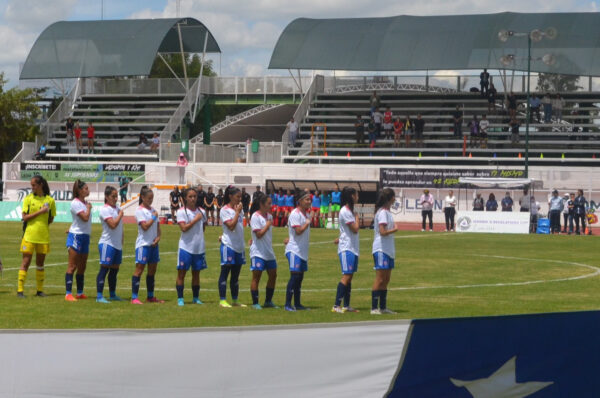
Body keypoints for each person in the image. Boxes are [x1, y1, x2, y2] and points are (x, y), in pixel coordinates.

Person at [17, 176, 56, 298]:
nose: (32, 187)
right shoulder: (28, 199)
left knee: (40, 263)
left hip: (43, 237)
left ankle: (39, 290)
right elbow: (25, 217)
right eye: (31, 185)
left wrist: (42, 225)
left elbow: (51, 218)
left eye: (34, 185)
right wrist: (40, 212)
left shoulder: (50, 200)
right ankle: (20, 290)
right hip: (29, 236)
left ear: (41, 185)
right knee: (26, 262)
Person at [132, 186, 164, 304]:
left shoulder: (153, 210)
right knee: (139, 270)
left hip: (153, 245)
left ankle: (150, 296)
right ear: (143, 197)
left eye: (152, 198)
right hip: (143, 245)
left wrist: (158, 237)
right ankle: (134, 297)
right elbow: (145, 227)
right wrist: (154, 216)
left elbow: (158, 227)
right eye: (149, 198)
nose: (151, 200)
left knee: (152, 271)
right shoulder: (139, 211)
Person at [176, 187, 207, 306]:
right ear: (185, 198)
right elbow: (183, 228)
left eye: (194, 196)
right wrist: (195, 220)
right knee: (182, 273)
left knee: (196, 273)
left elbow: (203, 227)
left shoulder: (202, 211)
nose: (193, 199)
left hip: (198, 248)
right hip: (185, 247)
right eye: (190, 196)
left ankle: (195, 297)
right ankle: (180, 298)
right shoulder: (181, 211)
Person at [332, 187, 360, 313]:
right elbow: (355, 229)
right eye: (356, 194)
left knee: (350, 277)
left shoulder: (349, 211)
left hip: (353, 247)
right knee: (346, 276)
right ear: (352, 196)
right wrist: (358, 217)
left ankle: (346, 305)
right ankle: (336, 305)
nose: (357, 196)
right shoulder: (345, 211)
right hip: (347, 248)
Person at [249, 192, 278, 310]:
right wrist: (267, 225)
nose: (271, 206)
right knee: (257, 277)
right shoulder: (255, 216)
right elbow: (259, 234)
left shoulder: (269, 216)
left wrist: (268, 223)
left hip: (268, 251)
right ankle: (255, 302)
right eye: (269, 203)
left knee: (273, 275)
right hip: (258, 252)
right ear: (261, 204)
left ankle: (268, 301)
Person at [371, 188, 398, 315]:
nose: (395, 198)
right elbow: (382, 232)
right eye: (394, 196)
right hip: (381, 248)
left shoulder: (387, 212)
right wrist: (394, 230)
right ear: (390, 198)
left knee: (386, 279)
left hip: (388, 249)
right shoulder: (382, 213)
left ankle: (383, 307)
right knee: (380, 279)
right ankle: (374, 307)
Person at [218, 186, 246, 307]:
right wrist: (237, 212)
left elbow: (240, 227)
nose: (240, 199)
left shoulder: (240, 209)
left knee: (236, 276)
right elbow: (231, 226)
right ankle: (222, 300)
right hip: (228, 246)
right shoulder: (224, 210)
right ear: (230, 196)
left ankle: (235, 300)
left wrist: (239, 211)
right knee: (225, 273)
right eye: (237, 197)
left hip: (239, 246)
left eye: (241, 197)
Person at [284, 190, 312, 311]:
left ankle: (298, 304)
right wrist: (306, 224)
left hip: (302, 251)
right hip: (294, 250)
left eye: (310, 199)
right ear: (300, 201)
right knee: (294, 277)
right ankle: (287, 304)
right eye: (307, 199)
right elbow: (298, 231)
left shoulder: (306, 214)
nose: (309, 202)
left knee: (299, 278)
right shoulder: (295, 214)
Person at [96, 186, 124, 303]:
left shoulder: (117, 208)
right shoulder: (105, 209)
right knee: (104, 269)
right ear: (106, 197)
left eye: (116, 196)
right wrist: (120, 215)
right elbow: (112, 225)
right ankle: (99, 296)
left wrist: (122, 240)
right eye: (113, 196)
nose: (116, 198)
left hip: (117, 244)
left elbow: (120, 227)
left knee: (114, 270)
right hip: (107, 243)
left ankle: (112, 294)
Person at [65, 179, 92, 302]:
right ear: (80, 191)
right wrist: (89, 208)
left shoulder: (84, 203)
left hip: (85, 236)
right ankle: (68, 293)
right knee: (72, 265)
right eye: (86, 188)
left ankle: (80, 292)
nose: (88, 190)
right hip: (76, 236)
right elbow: (85, 218)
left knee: (82, 266)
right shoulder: (75, 203)